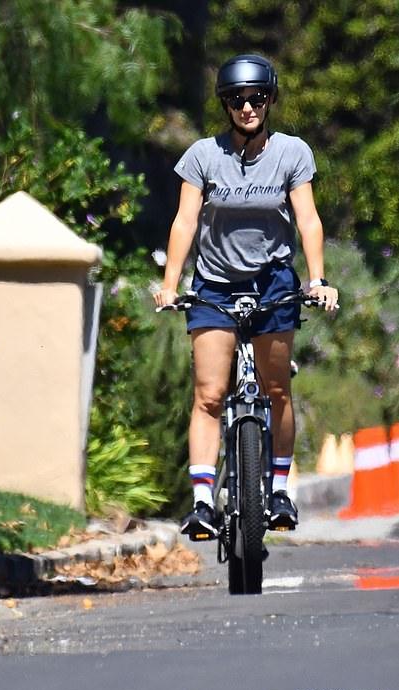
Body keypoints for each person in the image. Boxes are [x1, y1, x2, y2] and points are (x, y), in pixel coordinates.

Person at [153, 54, 338, 541]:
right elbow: (185, 221)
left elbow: (308, 220)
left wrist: (316, 280)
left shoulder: (293, 153)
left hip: (274, 280)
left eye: (257, 98)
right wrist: (171, 285)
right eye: (238, 100)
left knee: (277, 389)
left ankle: (278, 490)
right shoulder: (202, 155)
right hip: (215, 283)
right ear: (226, 105)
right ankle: (200, 503)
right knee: (210, 394)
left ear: (271, 99)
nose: (248, 107)